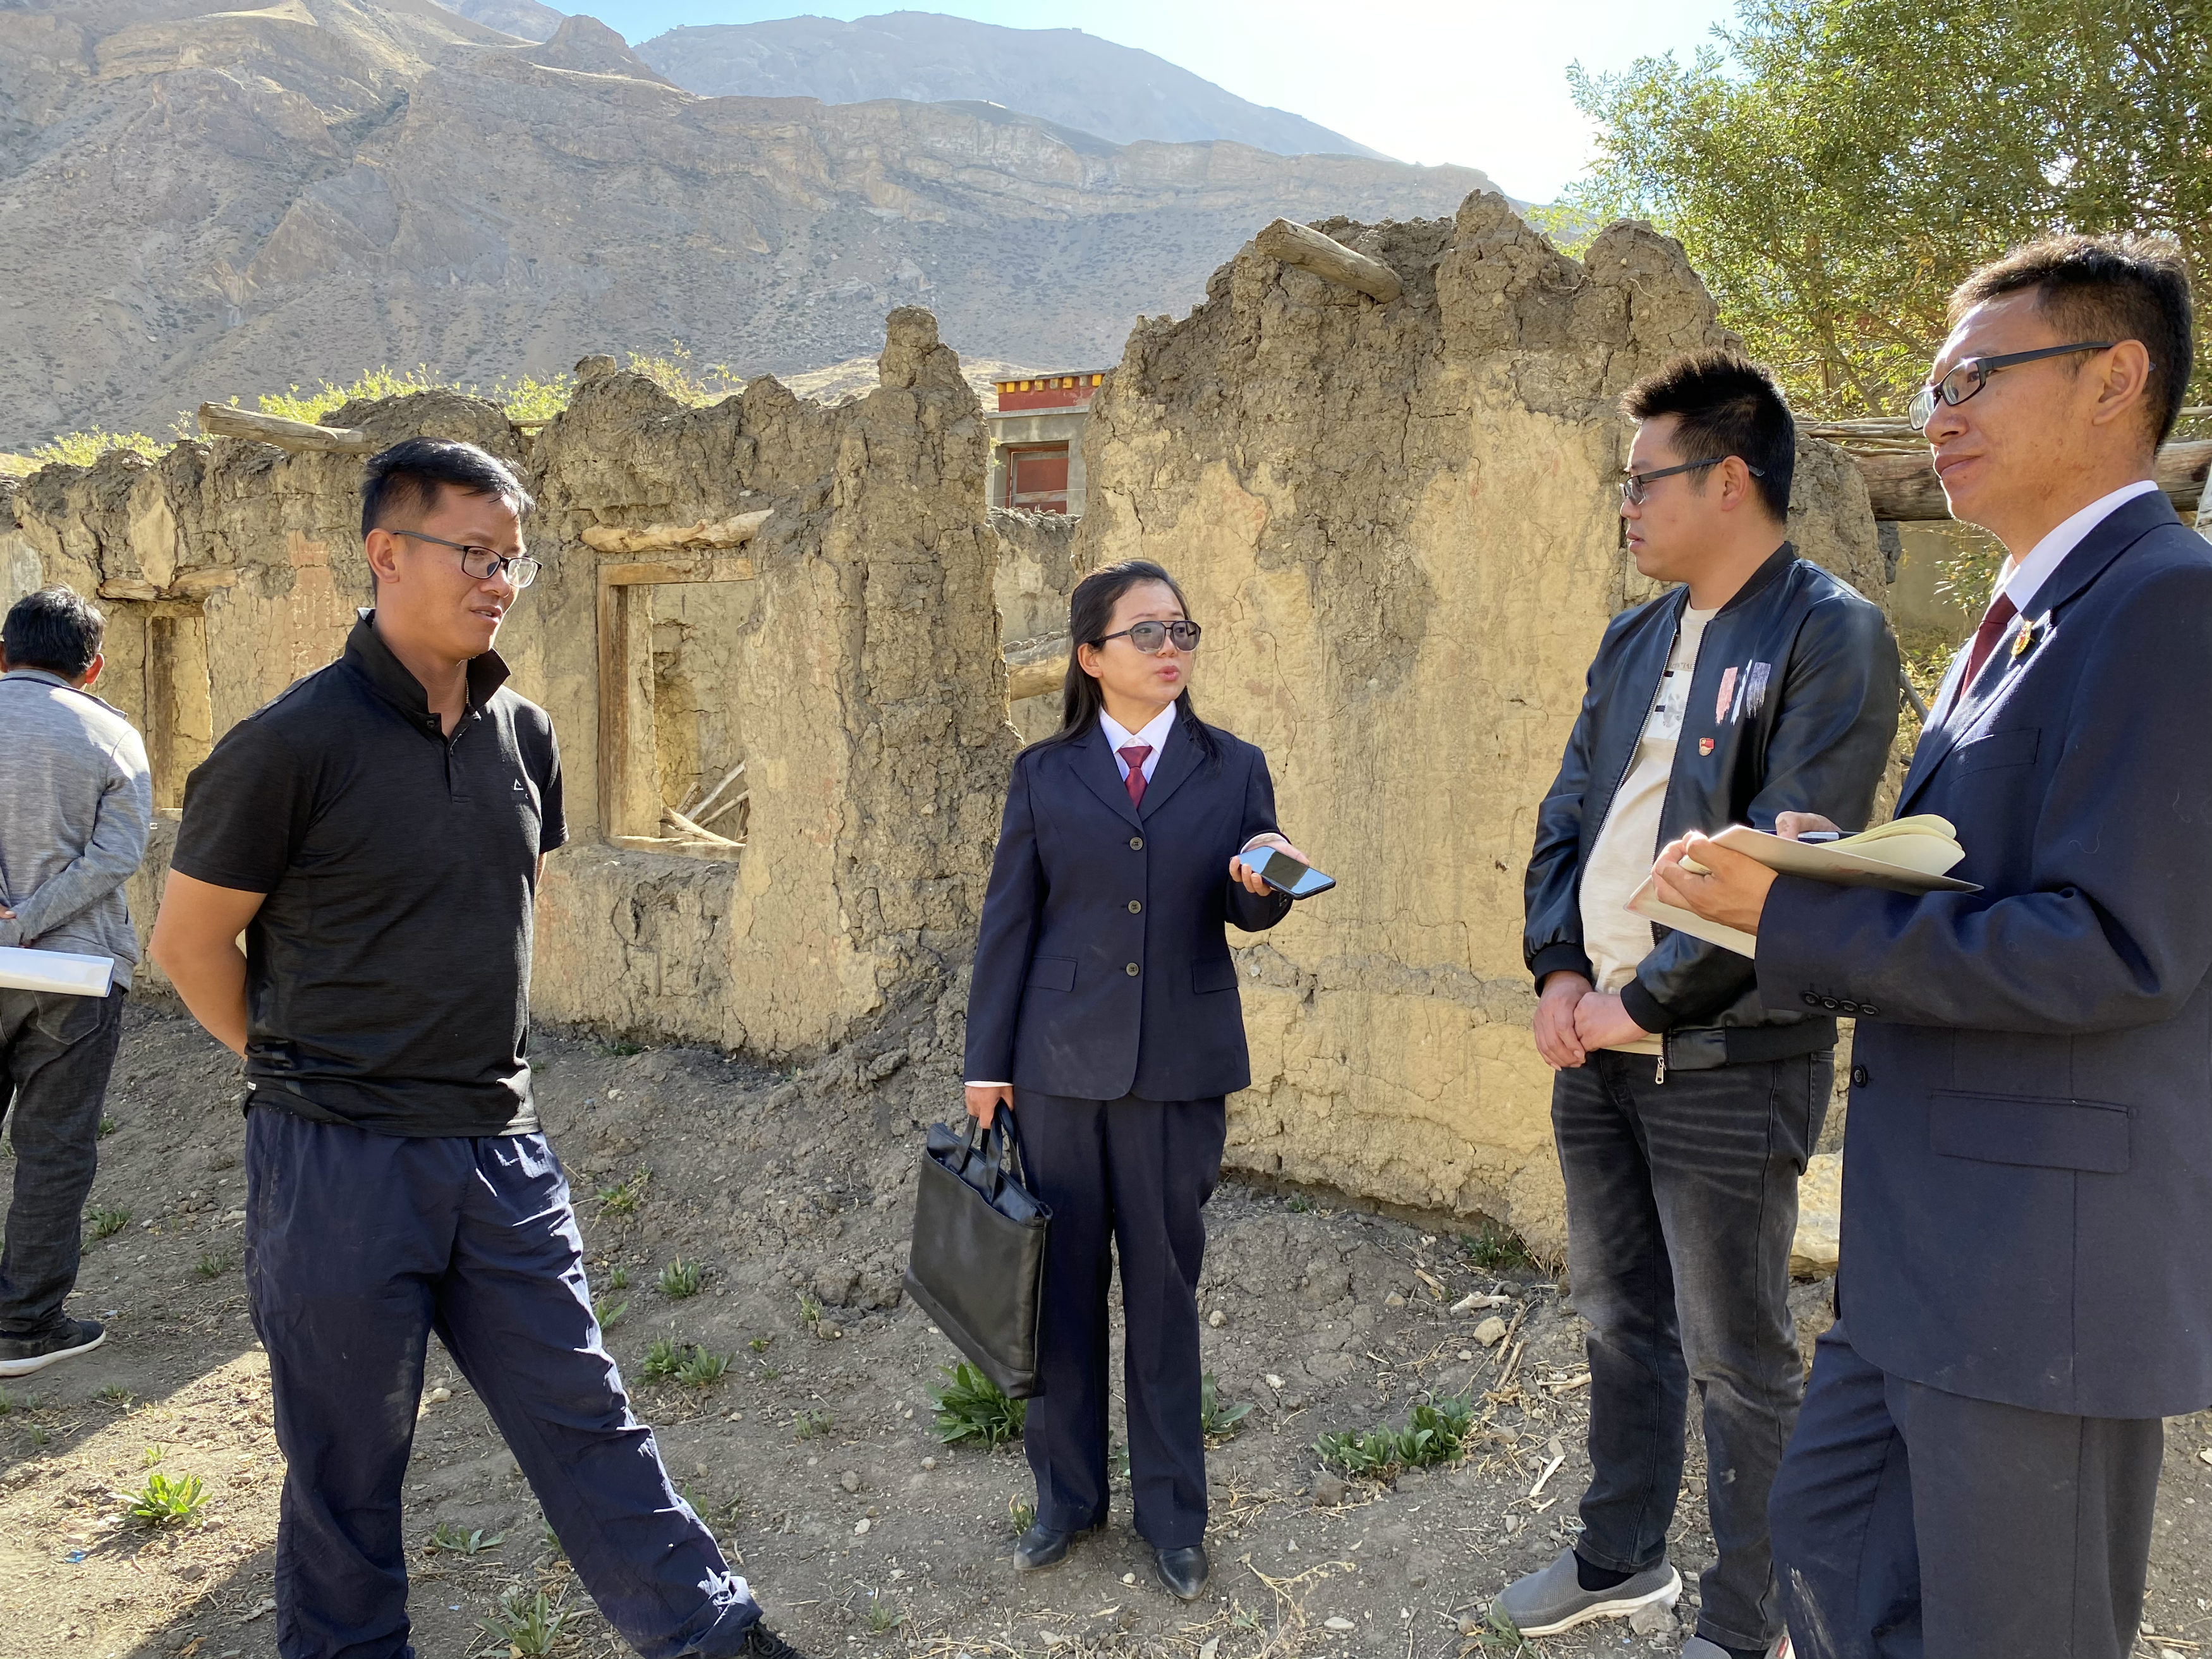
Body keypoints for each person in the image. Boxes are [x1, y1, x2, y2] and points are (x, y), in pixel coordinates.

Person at [147, 439, 800, 1659]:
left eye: (513, 560)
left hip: (498, 1153)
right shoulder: (290, 747)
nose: (499, 581)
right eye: (474, 554)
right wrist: (297, 1071)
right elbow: (188, 945)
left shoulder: (525, 735)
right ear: (385, 553)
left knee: (586, 1418)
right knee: (347, 1465)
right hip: (338, 1161)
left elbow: (505, 915)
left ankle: (715, 1638)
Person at [1651, 236, 2206, 1659]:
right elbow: (2004, 876)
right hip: (1924, 1257)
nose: (1934, 418)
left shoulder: (2168, 605)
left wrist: (1796, 918)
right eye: (1928, 390)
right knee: (1830, 1570)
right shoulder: (2016, 620)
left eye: (1970, 381)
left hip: (2038, 1278)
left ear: (2114, 379)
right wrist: (1831, 864)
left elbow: (2118, 947)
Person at [1507, 352, 1899, 1659]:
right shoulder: (1636, 637)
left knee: (1739, 1357)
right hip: (1599, 1043)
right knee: (1620, 1320)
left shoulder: (1827, 632)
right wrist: (1562, 972)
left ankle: (1748, 1625)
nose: (1625, 505)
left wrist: (1646, 1003)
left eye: (1643, 480)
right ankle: (1620, 1556)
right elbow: (1568, 812)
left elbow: (1781, 867)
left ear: (1729, 479)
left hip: (1730, 1057)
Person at [963, 559, 1306, 1602]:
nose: (1170, 648)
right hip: (1057, 1071)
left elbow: (1252, 905)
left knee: (1163, 1295)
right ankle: (1066, 1500)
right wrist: (987, 1065)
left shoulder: (1233, 767)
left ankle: (1173, 1518)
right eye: (1147, 632)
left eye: (1183, 630)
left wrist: (1268, 878)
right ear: (1090, 656)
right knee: (1061, 1294)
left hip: (1176, 1072)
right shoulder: (1044, 773)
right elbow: (1010, 922)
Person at [0, 586, 151, 1377]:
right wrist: (27, 921)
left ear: (2, 654)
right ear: (91, 668)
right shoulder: (110, 733)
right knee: (53, 1149)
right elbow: (118, 853)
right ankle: (24, 1327)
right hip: (75, 973)